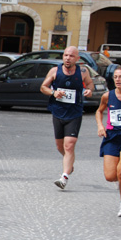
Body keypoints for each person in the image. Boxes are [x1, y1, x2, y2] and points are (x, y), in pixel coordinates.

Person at [40, 46, 95, 189]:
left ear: (77, 58)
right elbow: (43, 87)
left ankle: (64, 177)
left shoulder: (83, 71)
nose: (67, 58)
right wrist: (53, 92)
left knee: (69, 145)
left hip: (75, 113)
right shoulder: (54, 71)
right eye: (65, 55)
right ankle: (69, 163)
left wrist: (89, 90)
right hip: (58, 112)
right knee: (60, 146)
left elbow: (90, 84)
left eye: (71, 56)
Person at [96, 66, 121, 217]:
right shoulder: (107, 96)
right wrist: (100, 126)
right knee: (110, 176)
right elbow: (99, 111)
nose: (119, 79)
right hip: (112, 137)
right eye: (116, 77)